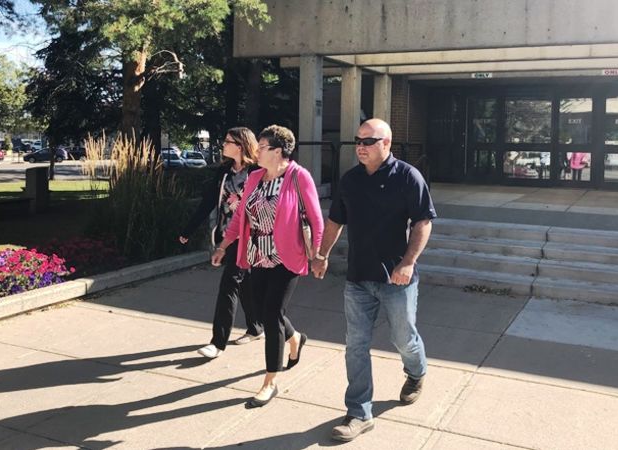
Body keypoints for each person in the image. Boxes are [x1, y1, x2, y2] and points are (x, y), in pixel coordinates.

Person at [312, 118, 437, 442]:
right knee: (355, 345)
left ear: (387, 144)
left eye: (369, 141)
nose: (361, 146)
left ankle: (416, 372)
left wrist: (408, 263)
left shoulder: (408, 177)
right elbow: (335, 221)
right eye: (358, 140)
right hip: (358, 278)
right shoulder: (350, 180)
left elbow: (423, 222)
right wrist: (322, 254)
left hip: (397, 279)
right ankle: (359, 412)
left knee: (403, 338)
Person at [213, 124, 323, 408]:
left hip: (287, 257)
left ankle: (269, 381)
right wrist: (224, 245)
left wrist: (318, 255)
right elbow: (239, 218)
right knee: (263, 311)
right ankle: (295, 337)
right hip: (257, 254)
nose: (257, 151)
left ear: (278, 151)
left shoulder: (299, 177)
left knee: (272, 314)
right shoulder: (256, 177)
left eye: (261, 147)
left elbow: (315, 219)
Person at [179, 127, 263, 359]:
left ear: (240, 145)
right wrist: (188, 229)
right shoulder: (224, 172)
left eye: (227, 141)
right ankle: (256, 326)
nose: (223, 145)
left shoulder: (258, 171)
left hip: (250, 238)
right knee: (242, 282)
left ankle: (217, 343)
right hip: (227, 235)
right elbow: (208, 202)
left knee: (229, 283)